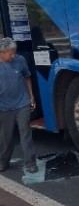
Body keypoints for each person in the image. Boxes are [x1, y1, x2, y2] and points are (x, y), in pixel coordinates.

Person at [0, 38, 38, 173]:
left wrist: (31, 96)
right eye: (11, 53)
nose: (13, 55)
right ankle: (3, 161)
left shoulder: (20, 60)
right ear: (2, 52)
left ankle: (31, 162)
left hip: (22, 104)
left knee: (26, 134)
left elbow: (27, 77)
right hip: (4, 108)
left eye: (14, 52)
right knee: (6, 137)